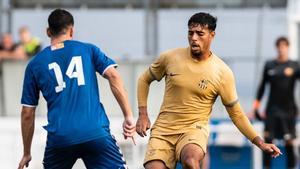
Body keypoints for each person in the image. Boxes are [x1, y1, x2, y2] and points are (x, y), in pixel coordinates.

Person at [136, 12, 281, 169]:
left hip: (193, 130)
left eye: (200, 34)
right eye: (190, 33)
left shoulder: (222, 72)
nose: (194, 38)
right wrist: (142, 114)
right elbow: (144, 79)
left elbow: (237, 114)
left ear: (212, 35)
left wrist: (260, 143)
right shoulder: (170, 58)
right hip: (163, 131)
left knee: (191, 161)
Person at [18, 9, 135, 169]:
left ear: (48, 32)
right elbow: (114, 76)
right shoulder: (88, 50)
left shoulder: (34, 64)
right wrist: (128, 116)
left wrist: (26, 152)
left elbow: (27, 113)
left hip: (60, 139)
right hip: (95, 132)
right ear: (72, 30)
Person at [252, 36, 298, 169]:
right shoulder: (269, 65)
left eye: (284, 46)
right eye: (279, 46)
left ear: (288, 48)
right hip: (271, 111)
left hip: (288, 111)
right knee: (268, 142)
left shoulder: (294, 65)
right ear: (276, 48)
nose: (281, 49)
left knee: (289, 143)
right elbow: (262, 87)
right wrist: (255, 107)